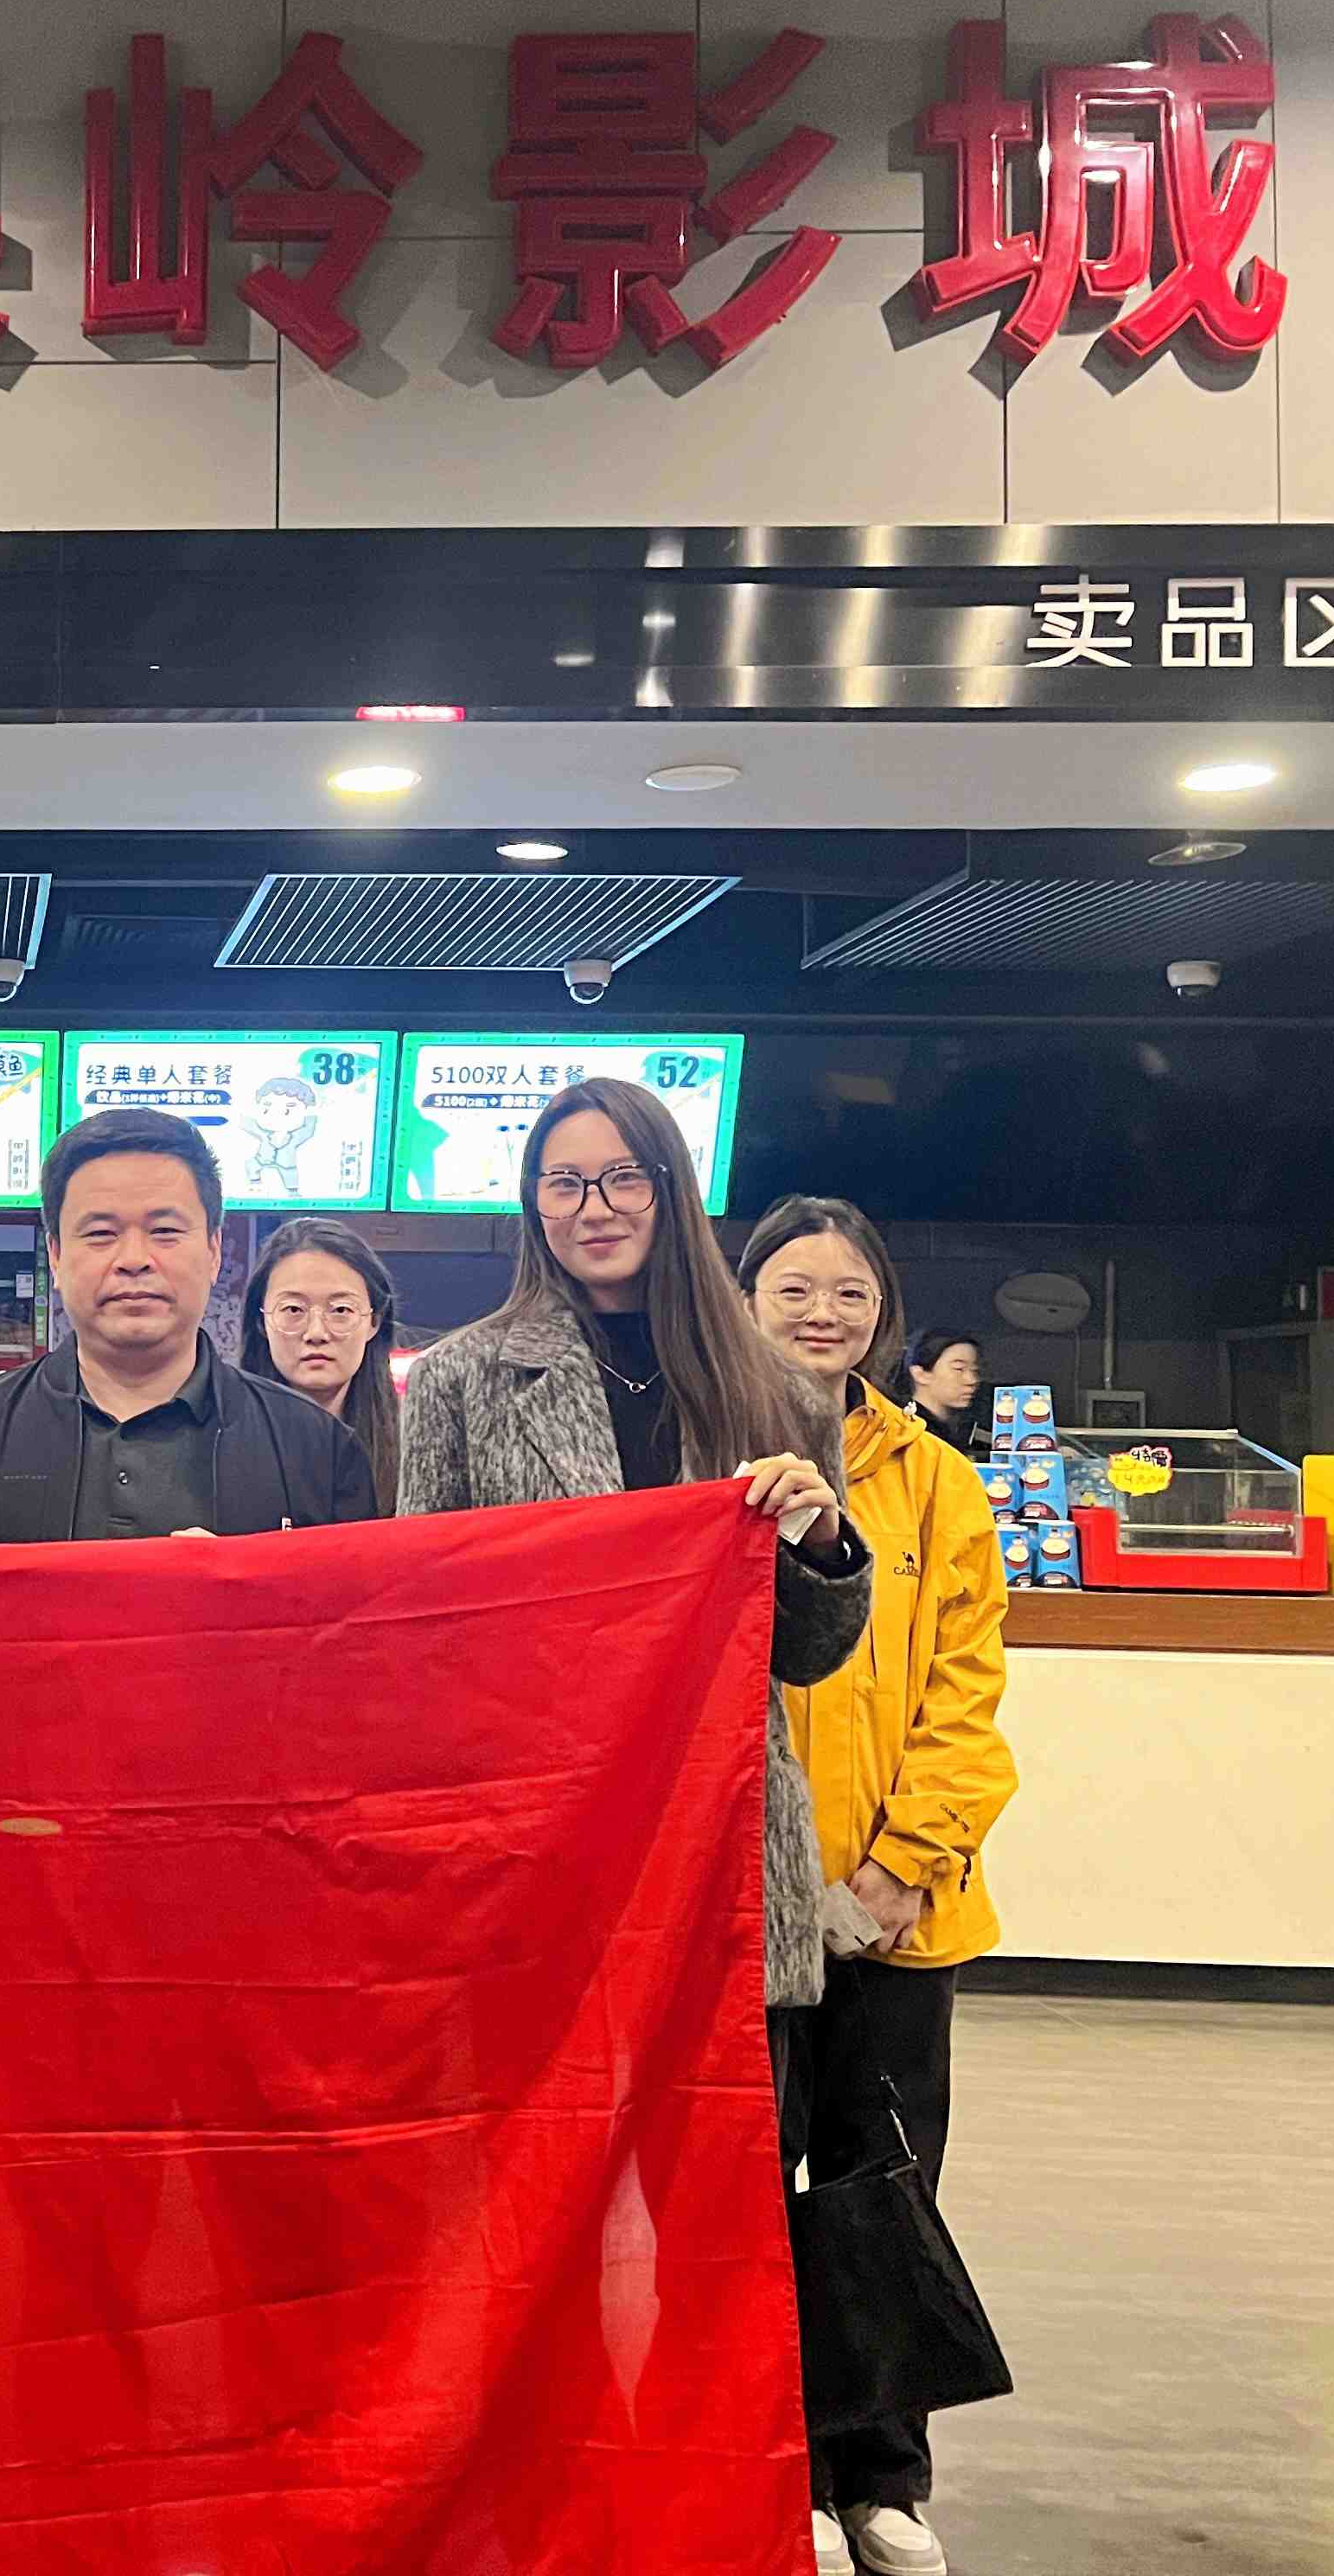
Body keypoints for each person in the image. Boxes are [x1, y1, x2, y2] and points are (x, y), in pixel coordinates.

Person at [399, 1079, 871, 1993]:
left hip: (722, 1816)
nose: (594, 1208)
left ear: (669, 1188)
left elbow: (808, 1658)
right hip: (539, 1824)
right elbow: (429, 1635)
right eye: (563, 1183)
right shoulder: (461, 1379)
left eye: (623, 1178)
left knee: (728, 2078)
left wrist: (822, 1547)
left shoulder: (779, 1390)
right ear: (533, 1202)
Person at [740, 1197, 1018, 2576]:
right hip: (748, 1916)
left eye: (849, 1293)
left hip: (903, 1915)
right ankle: (769, 2471)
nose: (822, 1313)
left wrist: (906, 1866)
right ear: (743, 1304)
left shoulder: (939, 1482)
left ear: (883, 1315)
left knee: (884, 2192)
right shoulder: (711, 1459)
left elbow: (969, 1689)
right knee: (742, 2196)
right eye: (793, 1288)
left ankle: (883, 2479)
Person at [0, 1109, 376, 1544]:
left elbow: (355, 1601)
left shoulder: (318, 1447)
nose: (134, 1260)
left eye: (165, 1231)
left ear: (214, 1251)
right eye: (101, 1234)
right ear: (55, 1256)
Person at [238, 1216, 401, 1517]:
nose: (316, 1333)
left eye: (340, 1310)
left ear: (374, 1322)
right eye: (293, 1309)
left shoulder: (414, 1446)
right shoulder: (218, 1440)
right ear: (262, 1322)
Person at [901, 1327, 987, 1459]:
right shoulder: (908, 1433)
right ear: (920, 1374)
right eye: (959, 1369)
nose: (972, 1380)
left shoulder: (957, 1431)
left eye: (975, 1371)